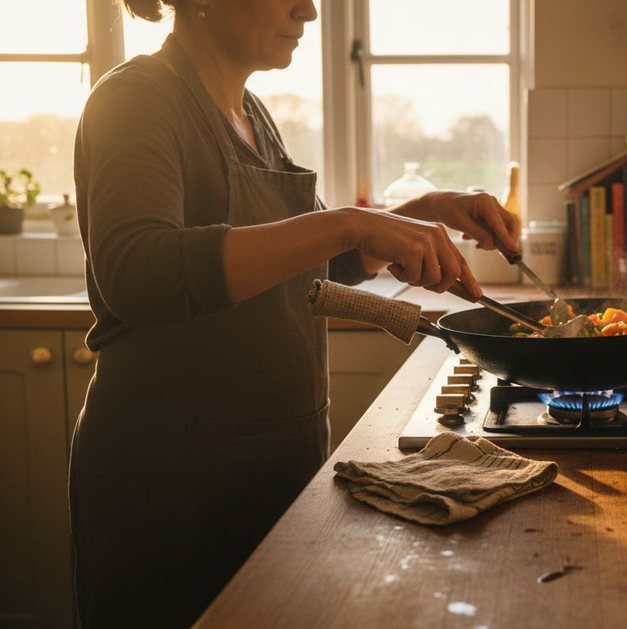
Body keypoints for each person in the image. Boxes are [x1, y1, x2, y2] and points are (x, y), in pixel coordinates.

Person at [68, 0, 519, 626]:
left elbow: (312, 266)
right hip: (170, 484)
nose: (308, 10)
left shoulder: (252, 116)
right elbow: (138, 272)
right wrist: (348, 222)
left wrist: (428, 209)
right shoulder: (136, 100)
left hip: (270, 468)